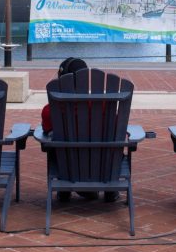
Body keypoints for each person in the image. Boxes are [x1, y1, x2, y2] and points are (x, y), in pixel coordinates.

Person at [41, 57, 119, 203]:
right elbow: (117, 129)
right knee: (115, 140)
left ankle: (64, 191)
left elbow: (46, 130)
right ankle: (110, 190)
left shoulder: (51, 110)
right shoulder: (104, 106)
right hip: (102, 167)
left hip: (68, 169)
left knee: (51, 142)